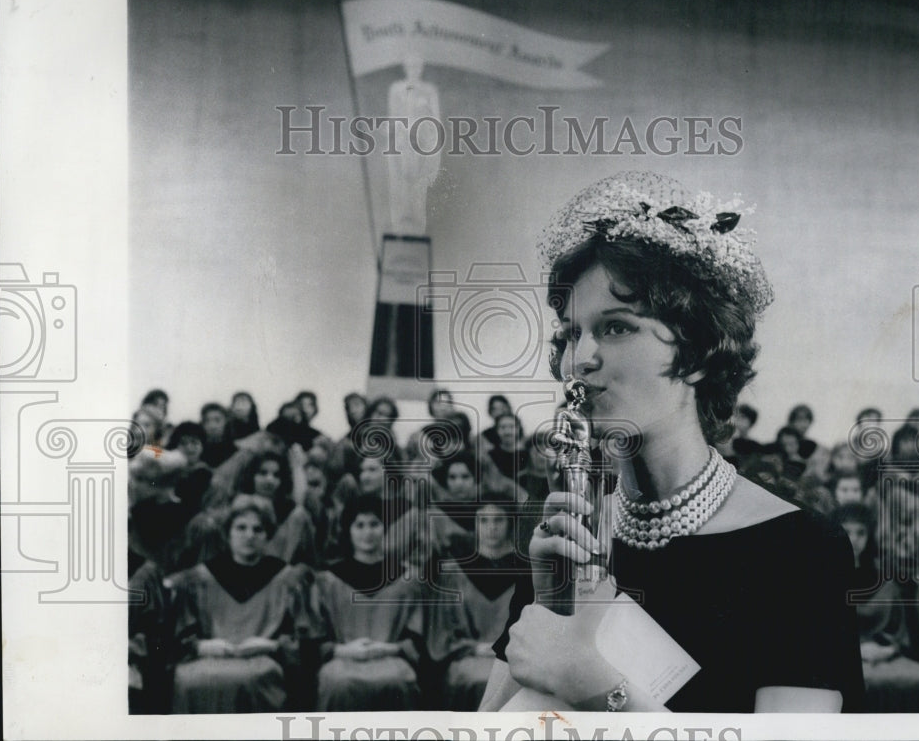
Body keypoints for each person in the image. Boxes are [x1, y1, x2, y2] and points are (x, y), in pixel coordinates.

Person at [481, 171, 863, 713]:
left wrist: (599, 686)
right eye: (570, 333)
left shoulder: (800, 552)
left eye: (616, 328)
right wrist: (552, 604)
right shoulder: (571, 542)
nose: (579, 359)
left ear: (699, 352)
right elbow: (488, 726)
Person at [167, 494, 312, 713]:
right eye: (241, 528)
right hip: (209, 657)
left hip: (262, 660)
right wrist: (200, 645)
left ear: (268, 535)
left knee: (253, 678)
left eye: (258, 529)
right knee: (188, 680)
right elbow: (181, 634)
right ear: (228, 534)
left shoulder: (286, 578)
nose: (249, 536)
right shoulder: (202, 577)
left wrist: (271, 645)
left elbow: (302, 638)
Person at [311, 494, 425, 710]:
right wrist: (343, 651)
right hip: (342, 658)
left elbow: (416, 637)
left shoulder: (407, 579)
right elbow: (316, 637)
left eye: (374, 524)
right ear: (348, 530)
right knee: (336, 682)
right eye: (359, 525)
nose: (367, 532)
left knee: (399, 680)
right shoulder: (329, 580)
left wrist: (387, 649)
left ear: (385, 528)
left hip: (391, 657)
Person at [427, 488, 530, 710]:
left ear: (510, 523)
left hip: (513, 658)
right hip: (469, 656)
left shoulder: (525, 571)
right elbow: (442, 632)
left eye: (498, 520)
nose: (491, 528)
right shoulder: (454, 571)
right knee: (469, 678)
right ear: (475, 523)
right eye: (483, 520)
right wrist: (472, 648)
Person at [832, 503, 919, 711]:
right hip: (836, 655)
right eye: (847, 531)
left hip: (883, 655)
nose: (854, 539)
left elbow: (898, 631)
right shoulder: (823, 577)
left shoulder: (884, 581)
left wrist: (885, 649)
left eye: (861, 533)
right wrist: (855, 650)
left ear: (870, 535)